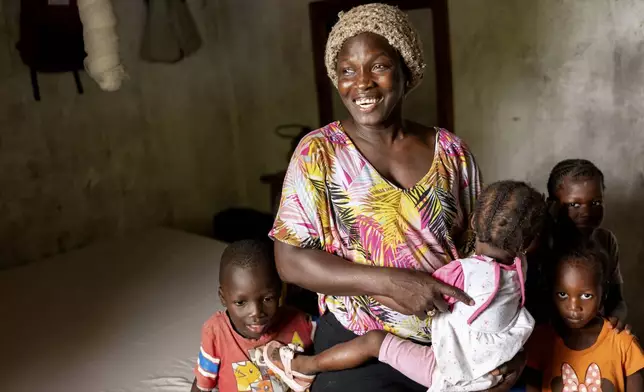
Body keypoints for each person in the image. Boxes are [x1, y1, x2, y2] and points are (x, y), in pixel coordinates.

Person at [270, 4, 530, 390]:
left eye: (378, 66)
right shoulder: (318, 154)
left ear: (406, 71)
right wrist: (389, 283)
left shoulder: (452, 153)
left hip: (454, 340)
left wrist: (508, 348)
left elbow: (489, 252)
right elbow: (290, 261)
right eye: (347, 70)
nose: (362, 83)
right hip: (359, 340)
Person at [264, 181, 545, 391]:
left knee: (375, 342)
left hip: (447, 371)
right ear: (528, 242)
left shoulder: (462, 273)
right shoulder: (520, 269)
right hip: (490, 371)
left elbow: (415, 302)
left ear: (472, 221)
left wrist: (372, 287)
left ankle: (303, 367)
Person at [190, 240, 314, 392]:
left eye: (267, 299)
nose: (256, 312)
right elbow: (202, 385)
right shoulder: (216, 333)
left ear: (279, 291)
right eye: (241, 302)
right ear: (223, 298)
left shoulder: (302, 322)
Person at [524, 241, 644, 392]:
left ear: (604, 293)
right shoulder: (540, 342)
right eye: (562, 294)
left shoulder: (622, 343)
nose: (573, 307)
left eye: (586, 296)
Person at [546, 159, 629, 332]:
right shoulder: (545, 243)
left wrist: (617, 318)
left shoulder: (606, 241)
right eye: (574, 204)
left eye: (596, 203)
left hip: (593, 338)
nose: (586, 212)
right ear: (552, 205)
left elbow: (617, 299)